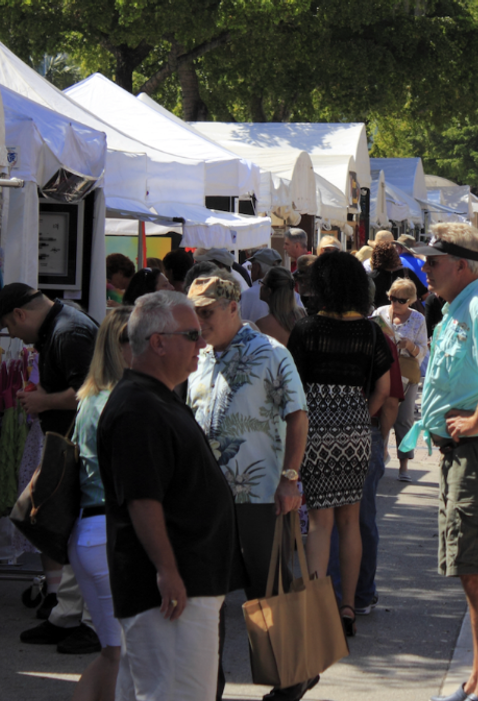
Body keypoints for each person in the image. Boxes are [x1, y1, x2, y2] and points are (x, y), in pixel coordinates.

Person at [98, 290, 236, 700]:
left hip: (181, 585)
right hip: (172, 592)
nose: (203, 343)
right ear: (158, 342)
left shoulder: (154, 398)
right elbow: (143, 499)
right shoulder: (139, 406)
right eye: (192, 334)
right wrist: (167, 570)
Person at [184, 271, 311, 701]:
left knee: (268, 591)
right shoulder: (197, 356)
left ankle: (290, 678)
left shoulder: (272, 353)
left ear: (233, 307)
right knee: (208, 594)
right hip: (207, 499)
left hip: (260, 495)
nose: (199, 322)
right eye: (193, 313)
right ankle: (207, 686)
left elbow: (298, 415)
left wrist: (290, 478)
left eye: (207, 313)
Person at [287, 251, 393, 638]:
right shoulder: (371, 332)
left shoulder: (306, 329)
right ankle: (348, 607)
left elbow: (292, 388)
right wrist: (360, 414)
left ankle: (318, 607)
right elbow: (383, 389)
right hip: (355, 431)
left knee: (320, 522)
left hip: (314, 430)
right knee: (351, 523)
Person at [0, 283, 102, 654]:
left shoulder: (68, 331)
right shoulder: (62, 325)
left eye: (9, 326)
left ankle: (90, 622)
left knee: (79, 534)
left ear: (21, 315)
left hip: (79, 446)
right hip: (68, 442)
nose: (11, 335)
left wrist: (42, 401)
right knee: (67, 532)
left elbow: (92, 390)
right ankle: (67, 616)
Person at [397, 225, 478, 701]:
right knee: (470, 569)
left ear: (463, 265)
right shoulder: (456, 308)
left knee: (472, 568)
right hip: (457, 455)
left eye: (433, 262)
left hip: (471, 453)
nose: (423, 269)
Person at [67, 306, 133, 701]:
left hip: (88, 533)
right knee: (122, 655)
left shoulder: (91, 398)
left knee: (113, 654)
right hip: (108, 534)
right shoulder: (118, 400)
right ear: (121, 346)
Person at [373, 278, 428, 482]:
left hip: (406, 371)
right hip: (383, 369)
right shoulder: (380, 313)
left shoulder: (417, 319)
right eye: (392, 298)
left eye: (401, 300)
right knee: (381, 415)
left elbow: (423, 350)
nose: (395, 303)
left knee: (404, 419)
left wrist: (409, 346)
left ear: (411, 300)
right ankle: (380, 457)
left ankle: (404, 464)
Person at [370, 240, 428, 308]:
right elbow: (425, 295)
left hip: (379, 317)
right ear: (395, 255)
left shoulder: (372, 277)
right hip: (405, 316)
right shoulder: (407, 273)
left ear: (375, 257)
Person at [256, 267, 306, 346]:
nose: (260, 286)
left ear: (269, 291)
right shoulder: (301, 314)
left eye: (262, 283)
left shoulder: (263, 324)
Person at [239, 247, 286, 323]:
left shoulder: (247, 295)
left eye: (252, 266)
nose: (251, 270)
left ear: (257, 268)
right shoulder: (291, 293)